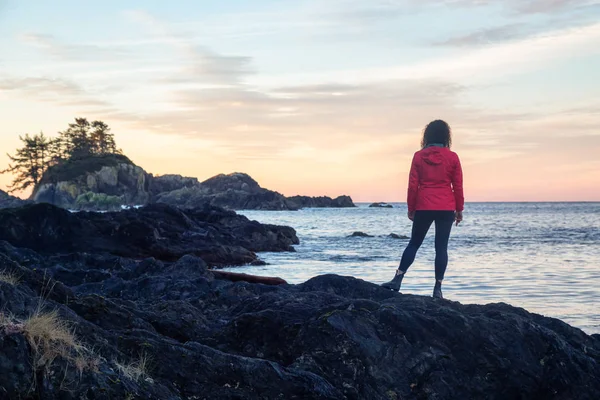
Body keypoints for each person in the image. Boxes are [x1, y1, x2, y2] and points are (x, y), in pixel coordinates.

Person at [381, 120, 464, 299]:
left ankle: (397, 279)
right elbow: (457, 186)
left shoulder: (419, 156)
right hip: (446, 206)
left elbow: (412, 185)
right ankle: (438, 289)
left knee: (414, 243)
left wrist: (411, 208)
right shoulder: (453, 157)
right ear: (446, 136)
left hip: (424, 205)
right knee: (441, 248)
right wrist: (459, 209)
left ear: (427, 136)